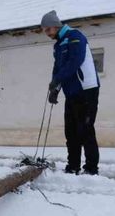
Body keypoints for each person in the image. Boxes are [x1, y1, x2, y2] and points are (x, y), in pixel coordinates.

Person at [41, 10, 100, 175]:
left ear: (54, 26)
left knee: (85, 130)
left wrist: (57, 78)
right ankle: (73, 166)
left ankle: (91, 169)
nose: (46, 34)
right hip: (72, 92)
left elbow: (75, 61)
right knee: (71, 132)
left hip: (86, 90)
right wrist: (55, 89)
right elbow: (58, 68)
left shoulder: (75, 36)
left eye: (47, 30)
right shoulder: (58, 45)